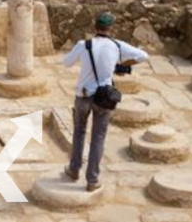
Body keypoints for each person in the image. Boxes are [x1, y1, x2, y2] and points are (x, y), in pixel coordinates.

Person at [62, 12, 149, 192]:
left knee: (79, 132)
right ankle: (92, 180)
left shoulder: (83, 45)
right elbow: (143, 56)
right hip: (104, 98)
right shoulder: (117, 46)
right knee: (98, 138)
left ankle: (73, 169)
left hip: (84, 95)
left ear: (95, 28)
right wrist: (120, 65)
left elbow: (66, 63)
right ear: (111, 28)